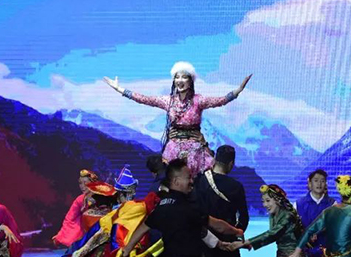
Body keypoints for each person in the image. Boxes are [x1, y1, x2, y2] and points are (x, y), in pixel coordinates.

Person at [104, 62, 251, 176]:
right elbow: (145, 99)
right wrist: (119, 89)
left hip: (195, 147)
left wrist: (238, 90)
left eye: (184, 77)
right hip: (173, 147)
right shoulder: (168, 101)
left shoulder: (198, 100)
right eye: (177, 77)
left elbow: (221, 100)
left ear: (190, 81)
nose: (180, 80)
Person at [294, 169, 335, 257]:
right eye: (316, 180)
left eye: (322, 181)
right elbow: (293, 228)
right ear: (309, 183)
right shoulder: (298, 204)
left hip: (326, 253)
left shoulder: (333, 204)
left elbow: (335, 227)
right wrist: (305, 235)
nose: (319, 184)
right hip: (304, 253)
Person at [53, 169, 99, 248]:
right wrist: (61, 235)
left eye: (85, 183)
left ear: (93, 183)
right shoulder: (80, 199)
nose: (82, 186)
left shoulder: (103, 196)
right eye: (80, 183)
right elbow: (69, 218)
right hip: (87, 233)